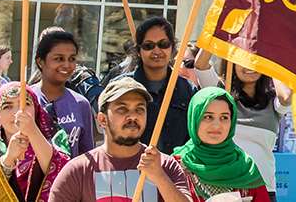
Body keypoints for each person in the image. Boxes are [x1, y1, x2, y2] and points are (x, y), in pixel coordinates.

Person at [48, 79, 192, 202]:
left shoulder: (165, 165)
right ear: (103, 119)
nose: (132, 116)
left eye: (139, 109)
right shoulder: (78, 170)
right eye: (122, 109)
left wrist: (160, 177)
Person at [191, 51, 290, 192]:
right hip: (225, 189)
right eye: (242, 60)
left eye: (256, 60)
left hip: (263, 189)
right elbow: (200, 65)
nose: (249, 65)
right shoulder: (221, 93)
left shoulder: (273, 102)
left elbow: (286, 98)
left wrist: (270, 57)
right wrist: (217, 30)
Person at [0, 83, 70, 202]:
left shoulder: (55, 142)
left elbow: (65, 177)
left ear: (36, 110)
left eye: (26, 104)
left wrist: (33, 132)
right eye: (7, 107)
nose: (18, 111)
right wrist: (7, 161)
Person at [111, 17, 196, 154]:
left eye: (163, 44)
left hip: (175, 171)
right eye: (149, 46)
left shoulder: (188, 90)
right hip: (133, 170)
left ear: (172, 48)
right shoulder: (120, 87)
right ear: (139, 51)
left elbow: (194, 138)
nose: (156, 51)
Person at [172, 88, 270, 202]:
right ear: (195, 118)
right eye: (208, 117)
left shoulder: (245, 166)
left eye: (224, 118)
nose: (216, 125)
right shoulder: (176, 165)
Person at [30, 29, 95, 155]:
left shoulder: (81, 104)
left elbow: (85, 155)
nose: (66, 65)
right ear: (40, 62)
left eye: (72, 59)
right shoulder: (25, 99)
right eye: (59, 59)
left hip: (70, 174)